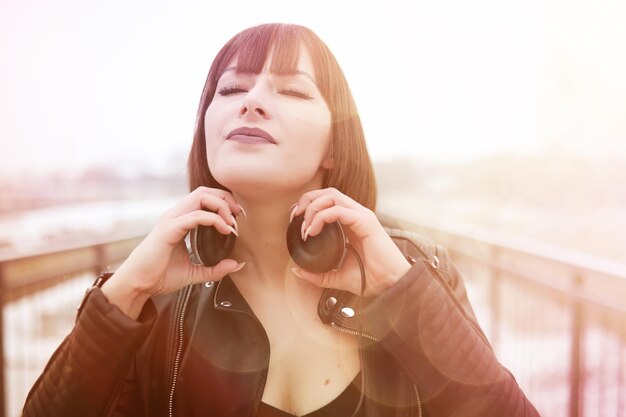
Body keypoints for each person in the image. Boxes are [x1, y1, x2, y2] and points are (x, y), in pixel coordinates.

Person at [23, 23, 539, 417]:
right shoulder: (154, 305)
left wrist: (401, 294)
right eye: (230, 90)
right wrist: (125, 294)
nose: (252, 103)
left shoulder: (416, 270)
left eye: (291, 91)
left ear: (334, 147)